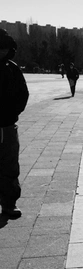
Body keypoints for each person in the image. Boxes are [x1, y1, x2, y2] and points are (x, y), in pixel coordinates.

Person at [0, 29, 29, 219]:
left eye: (4, 48)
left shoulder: (12, 68)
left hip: (7, 125)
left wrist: (12, 114)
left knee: (9, 165)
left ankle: (9, 203)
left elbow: (23, 94)